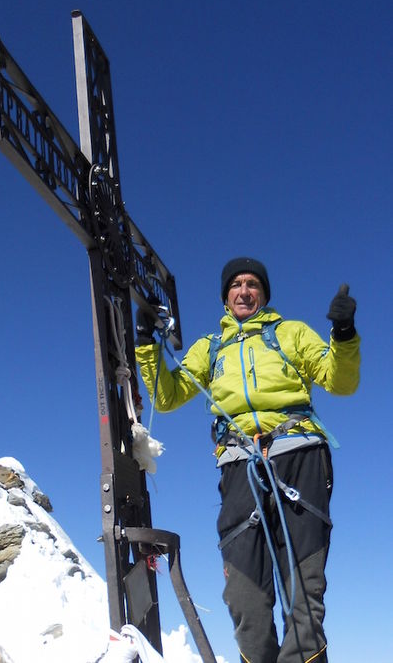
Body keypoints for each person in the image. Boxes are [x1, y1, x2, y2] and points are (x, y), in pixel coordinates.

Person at [135, 257, 360, 663]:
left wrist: (343, 334)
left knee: (303, 590)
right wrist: (145, 345)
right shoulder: (211, 347)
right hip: (240, 465)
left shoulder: (290, 333)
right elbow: (166, 398)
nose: (244, 290)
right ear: (226, 298)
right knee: (244, 596)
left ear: (264, 294)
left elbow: (340, 381)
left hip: (299, 453)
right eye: (236, 284)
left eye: (252, 283)